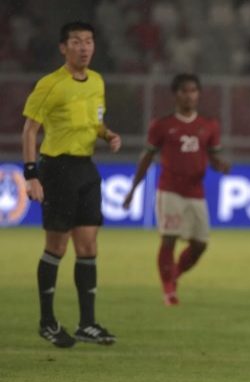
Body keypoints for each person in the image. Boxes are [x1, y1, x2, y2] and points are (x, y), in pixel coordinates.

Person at [22, 21, 121, 347]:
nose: (84, 47)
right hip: (57, 169)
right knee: (57, 247)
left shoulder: (97, 81)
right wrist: (31, 174)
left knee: (88, 247)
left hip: (86, 169)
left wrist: (107, 134)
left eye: (89, 41)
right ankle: (47, 321)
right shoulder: (51, 84)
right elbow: (30, 131)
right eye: (77, 41)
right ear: (63, 48)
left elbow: (94, 121)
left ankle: (87, 324)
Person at [122, 73, 230, 306]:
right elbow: (147, 157)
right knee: (169, 238)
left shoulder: (209, 125)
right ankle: (168, 289)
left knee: (200, 244)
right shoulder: (162, 125)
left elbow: (213, 155)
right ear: (176, 95)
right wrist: (133, 190)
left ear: (198, 94)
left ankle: (174, 274)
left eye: (193, 91)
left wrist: (220, 165)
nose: (189, 95)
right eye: (184, 91)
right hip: (169, 189)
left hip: (196, 191)